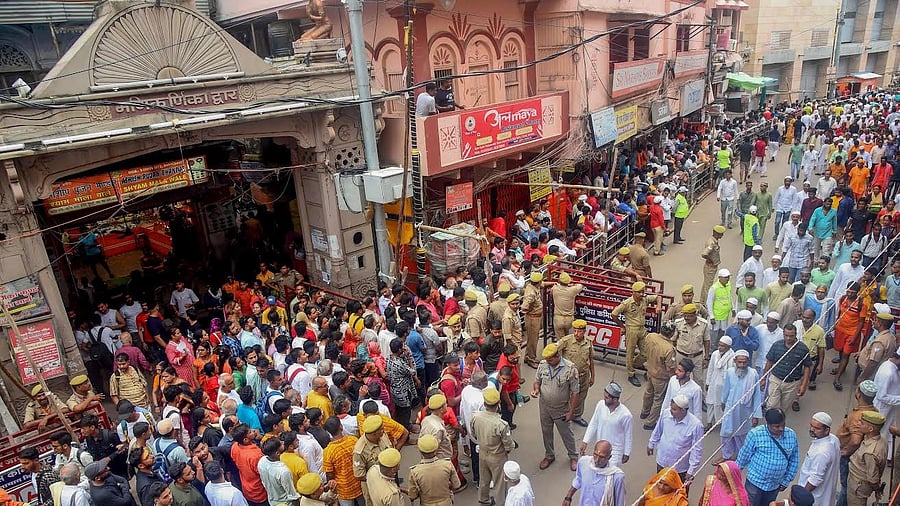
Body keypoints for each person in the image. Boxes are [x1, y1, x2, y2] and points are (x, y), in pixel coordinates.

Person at [736, 408, 800, 506]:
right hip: (755, 483)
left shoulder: (791, 435)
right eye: (777, 426)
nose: (781, 429)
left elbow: (794, 460)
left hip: (774, 485)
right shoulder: (755, 434)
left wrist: (786, 481)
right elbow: (743, 456)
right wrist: (734, 474)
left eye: (783, 425)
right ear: (768, 424)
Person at [611, 281, 659, 387]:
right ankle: (631, 374)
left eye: (643, 292)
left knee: (646, 352)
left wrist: (658, 306)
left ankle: (633, 364)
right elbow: (614, 314)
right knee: (630, 353)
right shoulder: (627, 303)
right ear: (633, 292)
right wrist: (622, 326)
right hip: (631, 330)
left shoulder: (645, 299)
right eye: (639, 292)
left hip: (642, 329)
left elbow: (658, 297)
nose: (641, 294)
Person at [647, 395, 703, 483]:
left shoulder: (696, 425)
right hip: (662, 461)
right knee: (661, 487)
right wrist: (651, 444)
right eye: (671, 408)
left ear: (683, 410)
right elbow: (658, 430)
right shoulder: (666, 414)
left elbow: (696, 449)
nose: (671, 411)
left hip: (679, 468)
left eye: (674, 409)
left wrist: (691, 471)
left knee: (677, 491)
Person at [472, 388, 513, 504]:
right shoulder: (501, 424)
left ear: (485, 403)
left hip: (482, 453)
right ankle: (500, 503)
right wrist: (508, 449)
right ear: (498, 403)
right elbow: (508, 444)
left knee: (484, 480)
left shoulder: (476, 417)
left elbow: (474, 434)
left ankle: (483, 500)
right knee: (499, 483)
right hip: (497, 456)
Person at [720, 350, 762, 460]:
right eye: (739, 362)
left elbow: (757, 395)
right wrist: (723, 401)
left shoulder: (753, 374)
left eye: (744, 362)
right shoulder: (730, 372)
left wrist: (756, 415)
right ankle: (727, 456)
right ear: (735, 361)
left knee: (742, 434)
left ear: (748, 361)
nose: (742, 365)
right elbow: (726, 389)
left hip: (745, 411)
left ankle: (742, 456)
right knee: (725, 432)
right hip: (730, 408)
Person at [762, 324, 811, 413]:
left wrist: (804, 385)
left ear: (796, 334)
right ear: (783, 334)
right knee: (772, 405)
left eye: (791, 336)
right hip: (776, 380)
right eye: (786, 335)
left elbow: (807, 367)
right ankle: (771, 419)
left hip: (792, 384)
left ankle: (780, 420)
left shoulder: (803, 349)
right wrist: (763, 378)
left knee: (784, 408)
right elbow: (769, 362)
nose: (788, 338)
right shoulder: (776, 345)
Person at [580, 382, 632, 467]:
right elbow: (594, 423)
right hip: (600, 449)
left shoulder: (626, 415)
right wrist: (585, 441)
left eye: (607, 398)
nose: (604, 399)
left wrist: (627, 452)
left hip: (615, 452)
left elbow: (628, 434)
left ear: (615, 399)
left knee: (610, 473)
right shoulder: (600, 405)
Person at [563, 440, 625, 506]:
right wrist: (568, 497)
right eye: (595, 455)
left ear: (609, 457)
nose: (597, 460)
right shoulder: (583, 462)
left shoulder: (616, 477)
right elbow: (578, 480)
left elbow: (619, 501)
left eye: (601, 457)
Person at [798, 412, 840, 505]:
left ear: (827, 430)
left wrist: (801, 496)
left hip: (814, 496)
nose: (812, 430)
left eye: (817, 428)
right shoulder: (833, 439)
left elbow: (815, 479)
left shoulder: (822, 452)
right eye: (811, 426)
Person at [557, 319, 594, 426]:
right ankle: (565, 415)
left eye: (580, 331)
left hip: (583, 376)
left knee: (581, 397)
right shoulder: (566, 341)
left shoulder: (588, 342)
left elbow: (591, 360)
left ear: (584, 331)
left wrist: (592, 377)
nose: (577, 334)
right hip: (569, 377)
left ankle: (577, 416)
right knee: (566, 397)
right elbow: (553, 351)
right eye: (575, 331)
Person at [847, 411, 888, 506]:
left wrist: (877, 488)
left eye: (862, 423)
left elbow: (872, 477)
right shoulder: (881, 439)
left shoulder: (870, 452)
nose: (858, 423)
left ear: (870, 429)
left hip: (858, 485)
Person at [641, 322, 677, 429]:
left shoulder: (651, 336)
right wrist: (673, 380)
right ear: (671, 333)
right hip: (661, 377)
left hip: (650, 370)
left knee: (648, 393)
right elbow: (670, 368)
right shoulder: (669, 349)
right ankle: (650, 422)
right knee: (658, 399)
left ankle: (645, 411)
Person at [352, 415, 392, 505]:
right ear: (374, 434)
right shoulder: (360, 451)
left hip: (389, 479)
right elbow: (359, 475)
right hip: (374, 487)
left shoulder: (383, 435)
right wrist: (378, 478)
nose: (383, 430)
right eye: (381, 429)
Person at [672, 304, 709, 392]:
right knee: (679, 378)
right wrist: (673, 356)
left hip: (697, 357)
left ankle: (699, 399)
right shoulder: (678, 323)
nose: (686, 318)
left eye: (689, 316)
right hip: (681, 355)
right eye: (685, 315)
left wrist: (706, 357)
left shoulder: (703, 324)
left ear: (695, 314)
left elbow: (706, 340)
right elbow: (673, 340)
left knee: (699, 381)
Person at [230, 424, 268, 506]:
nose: (253, 430)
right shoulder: (256, 455)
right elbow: (264, 474)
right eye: (250, 432)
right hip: (259, 492)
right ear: (245, 440)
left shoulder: (234, 446)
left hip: (247, 489)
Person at [706, 336, 735, 426]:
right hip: (713, 382)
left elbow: (732, 374)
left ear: (728, 347)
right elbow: (710, 369)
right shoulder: (715, 354)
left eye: (722, 346)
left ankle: (722, 423)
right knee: (710, 403)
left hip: (724, 385)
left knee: (721, 405)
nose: (720, 347)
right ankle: (709, 423)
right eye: (719, 345)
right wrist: (708, 382)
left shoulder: (732, 357)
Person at [551, 272, 584, 340]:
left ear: (559, 280)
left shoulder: (555, 288)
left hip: (558, 318)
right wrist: (572, 285)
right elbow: (581, 285)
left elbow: (553, 288)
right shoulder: (572, 290)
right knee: (568, 339)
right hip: (569, 320)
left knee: (561, 341)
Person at [707, 269, 735, 349]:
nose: (727, 279)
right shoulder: (714, 288)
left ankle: (719, 348)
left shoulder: (728, 285)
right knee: (713, 335)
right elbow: (709, 302)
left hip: (724, 316)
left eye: (728, 277)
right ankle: (711, 350)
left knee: (722, 333)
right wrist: (711, 316)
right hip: (716, 317)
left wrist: (732, 308)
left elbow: (729, 297)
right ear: (719, 278)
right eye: (725, 277)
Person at [701, 225, 725, 298]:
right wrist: (711, 260)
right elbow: (704, 254)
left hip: (710, 267)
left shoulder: (714, 241)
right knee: (708, 287)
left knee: (706, 284)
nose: (722, 235)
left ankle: (702, 300)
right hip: (710, 267)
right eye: (721, 234)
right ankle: (707, 302)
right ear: (716, 233)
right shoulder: (712, 243)